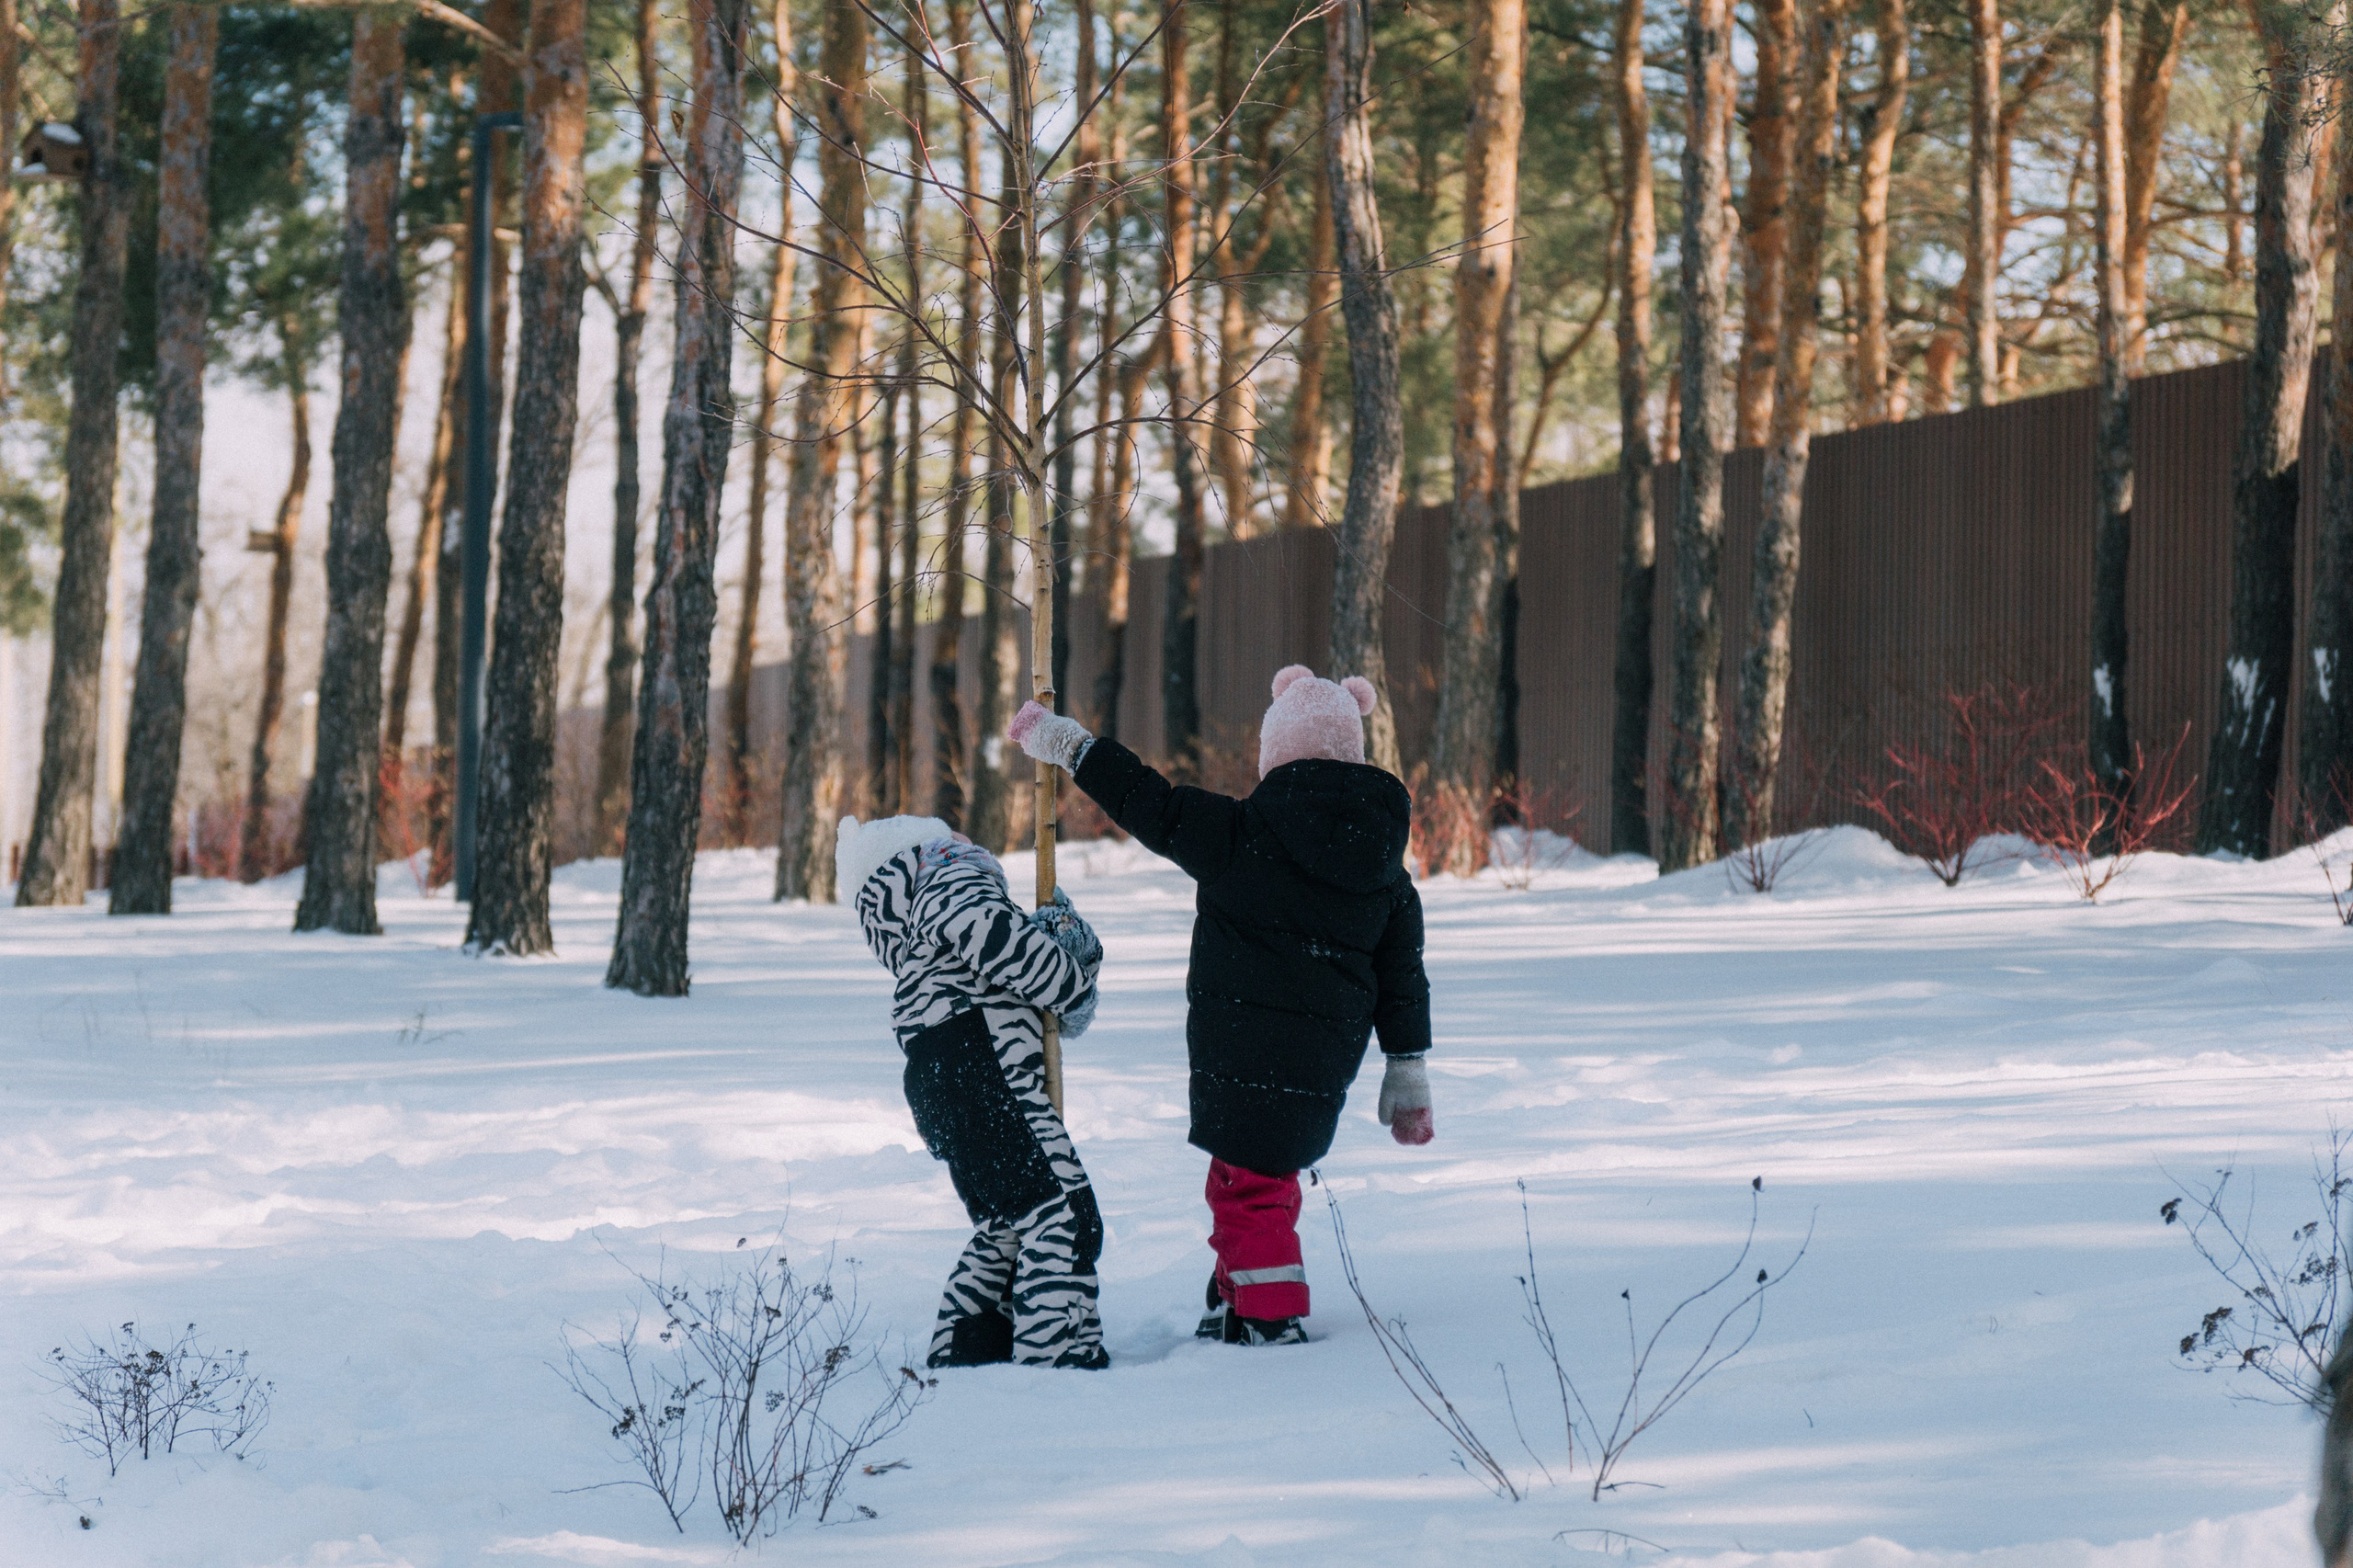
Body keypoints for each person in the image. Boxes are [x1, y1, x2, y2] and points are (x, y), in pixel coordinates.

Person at [1007, 665, 1435, 1348]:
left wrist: (1071, 747)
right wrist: (1407, 1068)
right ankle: (1235, 1293)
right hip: (1323, 1064)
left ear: (1277, 752)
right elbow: (1403, 975)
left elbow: (1149, 801)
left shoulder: (1241, 833)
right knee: (1263, 1176)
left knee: (1246, 1187)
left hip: (1241, 1051)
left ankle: (1269, 1317)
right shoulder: (1386, 873)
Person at [836, 813, 1109, 1370]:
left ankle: (969, 1350)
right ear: (923, 847)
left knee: (1012, 1219)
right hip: (982, 1064)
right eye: (948, 833)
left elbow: (995, 959)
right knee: (1063, 1213)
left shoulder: (908, 925)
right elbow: (995, 939)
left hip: (944, 1076)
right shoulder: (946, 875)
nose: (967, 839)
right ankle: (1056, 1359)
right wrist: (1070, 982)